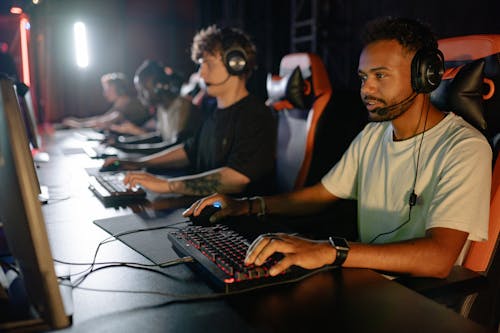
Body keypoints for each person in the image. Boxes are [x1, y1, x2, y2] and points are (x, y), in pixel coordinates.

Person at [183, 17, 492, 279]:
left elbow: (439, 258)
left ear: (424, 76)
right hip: (363, 279)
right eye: (363, 78)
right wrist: (247, 205)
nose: (366, 90)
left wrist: (330, 251)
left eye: (380, 76)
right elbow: (321, 195)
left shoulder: (464, 148)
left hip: (418, 302)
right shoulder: (373, 135)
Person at [106, 25, 276, 197]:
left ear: (236, 64)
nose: (201, 75)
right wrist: (137, 163)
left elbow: (237, 178)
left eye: (208, 64)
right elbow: (188, 152)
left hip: (241, 219)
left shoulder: (255, 115)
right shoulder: (214, 112)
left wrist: (168, 185)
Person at [109, 60, 204, 152]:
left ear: (159, 87)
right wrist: (121, 143)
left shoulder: (182, 107)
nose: (140, 96)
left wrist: (127, 152)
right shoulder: (161, 108)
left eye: (143, 90)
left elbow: (173, 146)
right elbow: (160, 137)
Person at [62, 72, 151, 133]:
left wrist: (78, 125)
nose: (105, 94)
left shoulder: (127, 105)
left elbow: (104, 122)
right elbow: (102, 118)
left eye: (107, 89)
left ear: (118, 89)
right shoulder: (123, 102)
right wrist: (78, 121)